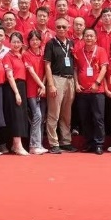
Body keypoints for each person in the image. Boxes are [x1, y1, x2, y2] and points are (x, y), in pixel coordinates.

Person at [42, 19, 77, 152]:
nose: (61, 29)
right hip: (57, 79)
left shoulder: (71, 43)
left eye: (63, 27)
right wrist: (51, 84)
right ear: (55, 28)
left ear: (68, 28)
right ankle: (54, 143)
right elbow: (47, 65)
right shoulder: (50, 43)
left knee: (66, 113)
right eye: (58, 27)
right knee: (54, 113)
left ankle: (66, 141)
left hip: (70, 80)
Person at [74, 28, 108, 154]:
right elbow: (76, 69)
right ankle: (89, 143)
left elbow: (104, 68)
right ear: (83, 37)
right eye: (86, 36)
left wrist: (97, 83)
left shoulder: (101, 51)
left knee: (98, 118)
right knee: (85, 118)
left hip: (97, 91)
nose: (89, 38)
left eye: (91, 36)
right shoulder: (79, 52)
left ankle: (99, 144)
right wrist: (76, 83)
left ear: (95, 38)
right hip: (83, 91)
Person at [23, 31, 49, 154]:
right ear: (29, 41)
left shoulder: (43, 53)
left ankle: (39, 143)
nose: (35, 42)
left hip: (42, 88)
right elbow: (31, 72)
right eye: (32, 40)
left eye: (37, 39)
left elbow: (46, 70)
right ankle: (33, 145)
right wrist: (42, 85)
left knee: (42, 117)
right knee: (36, 115)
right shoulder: (26, 54)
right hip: (31, 89)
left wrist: (43, 86)